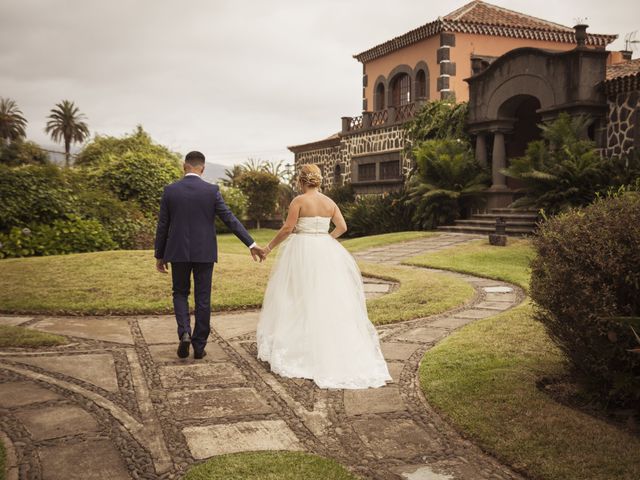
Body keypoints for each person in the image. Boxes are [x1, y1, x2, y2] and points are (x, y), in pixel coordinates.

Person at [256, 164, 391, 389]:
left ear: (301, 181)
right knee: (325, 296)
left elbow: (288, 228)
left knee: (297, 295)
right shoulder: (330, 203)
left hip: (302, 250)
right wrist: (326, 237)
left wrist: (268, 248)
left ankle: (301, 346)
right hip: (325, 249)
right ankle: (327, 343)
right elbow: (342, 227)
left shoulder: (298, 201)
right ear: (318, 181)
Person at [154, 151, 266, 359]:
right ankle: (199, 346)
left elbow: (163, 225)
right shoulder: (211, 191)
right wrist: (251, 243)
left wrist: (159, 255)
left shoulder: (170, 191)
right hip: (204, 252)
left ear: (184, 166)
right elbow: (230, 219)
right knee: (203, 297)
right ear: (202, 168)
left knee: (180, 293)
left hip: (177, 251)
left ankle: (184, 332)